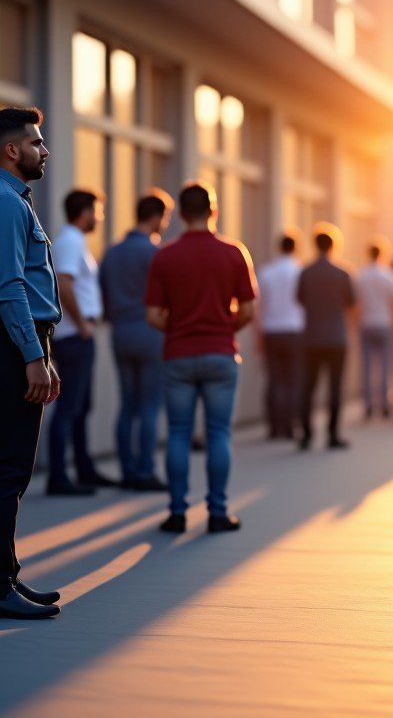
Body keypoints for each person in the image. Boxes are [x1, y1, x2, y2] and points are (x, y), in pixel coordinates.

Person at [0, 107, 62, 619]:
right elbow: (9, 287)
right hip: (6, 341)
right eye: (37, 142)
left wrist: (42, 353)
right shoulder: (2, 204)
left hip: (15, 341)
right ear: (11, 150)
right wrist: (32, 355)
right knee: (4, 468)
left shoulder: (8, 199)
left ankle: (5, 577)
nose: (44, 150)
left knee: (10, 468)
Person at [145, 181, 257, 534]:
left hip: (178, 353)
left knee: (178, 432)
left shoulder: (164, 255)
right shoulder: (234, 252)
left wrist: (179, 328)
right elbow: (250, 309)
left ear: (179, 214)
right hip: (221, 353)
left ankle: (177, 512)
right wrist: (224, 328)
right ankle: (218, 512)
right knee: (218, 432)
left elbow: (153, 315)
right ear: (214, 210)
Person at [99, 189, 173, 491]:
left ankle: (127, 471)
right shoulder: (156, 253)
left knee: (127, 405)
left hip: (120, 333)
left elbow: (102, 293)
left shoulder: (112, 252)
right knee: (150, 406)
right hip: (150, 331)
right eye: (165, 217)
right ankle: (145, 471)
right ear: (156, 217)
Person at [48, 188, 115, 494]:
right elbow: (64, 284)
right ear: (85, 211)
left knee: (80, 405)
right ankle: (59, 477)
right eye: (98, 211)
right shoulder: (71, 242)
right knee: (69, 406)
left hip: (78, 334)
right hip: (74, 336)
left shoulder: (74, 241)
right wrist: (83, 325)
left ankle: (83, 469)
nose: (100, 217)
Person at [297, 225, 356, 451]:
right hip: (336, 337)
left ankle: (306, 434)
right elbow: (351, 303)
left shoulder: (305, 272)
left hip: (311, 336)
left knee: (308, 386)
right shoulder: (343, 273)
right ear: (334, 245)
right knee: (335, 387)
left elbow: (300, 299)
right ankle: (332, 434)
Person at [256, 231, 305, 439]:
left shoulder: (267, 272)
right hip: (295, 330)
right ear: (296, 248)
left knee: (274, 379)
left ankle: (274, 426)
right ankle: (290, 424)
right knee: (293, 380)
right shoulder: (301, 271)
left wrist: (259, 335)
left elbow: (258, 307)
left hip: (271, 331)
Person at [355, 237, 393, 419]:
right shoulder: (389, 275)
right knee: (385, 366)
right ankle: (385, 404)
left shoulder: (361, 275)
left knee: (366, 366)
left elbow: (356, 303)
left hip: (366, 323)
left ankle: (368, 405)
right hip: (385, 323)